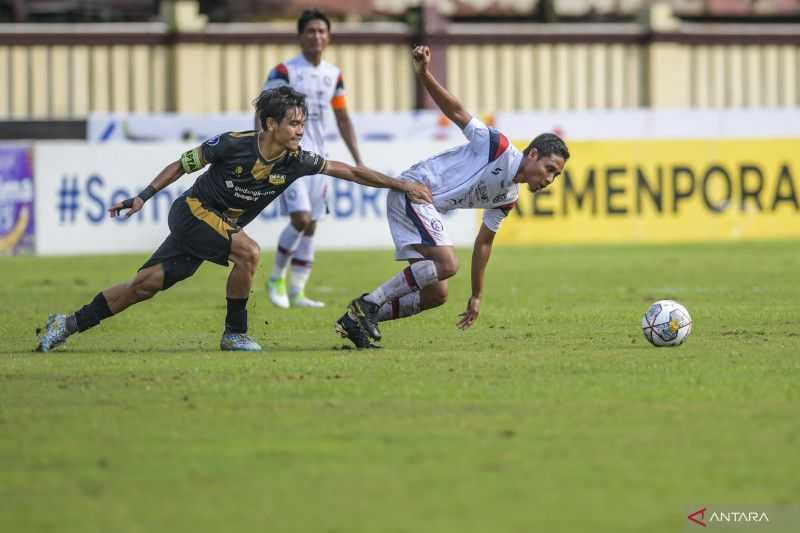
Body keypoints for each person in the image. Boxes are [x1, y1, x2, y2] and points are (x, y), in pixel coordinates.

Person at [35, 86, 431, 353]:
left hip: (215, 227)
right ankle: (235, 333)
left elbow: (352, 172)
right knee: (250, 252)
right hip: (191, 213)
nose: (301, 130)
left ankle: (67, 323)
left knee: (144, 286)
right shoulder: (232, 144)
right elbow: (181, 164)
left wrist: (401, 184)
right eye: (293, 123)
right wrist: (142, 197)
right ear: (270, 124)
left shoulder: (298, 161)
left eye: (303, 122)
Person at [335, 45, 570, 349]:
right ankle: (368, 304)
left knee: (437, 294)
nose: (549, 179)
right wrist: (424, 74)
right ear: (533, 154)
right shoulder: (496, 146)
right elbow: (456, 112)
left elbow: (484, 244)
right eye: (549, 169)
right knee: (447, 263)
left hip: (423, 205)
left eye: (556, 175)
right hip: (414, 189)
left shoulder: (508, 196)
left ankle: (357, 321)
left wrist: (476, 295)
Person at [262, 9, 362, 309]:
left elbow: (343, 117)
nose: (317, 36)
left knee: (312, 223)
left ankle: (297, 291)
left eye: (321, 31)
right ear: (300, 36)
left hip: (319, 159)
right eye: (311, 31)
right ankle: (276, 278)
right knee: (301, 219)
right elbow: (264, 112)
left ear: (328, 37)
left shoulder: (334, 75)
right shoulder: (285, 72)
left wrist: (358, 159)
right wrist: (266, 153)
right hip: (287, 158)